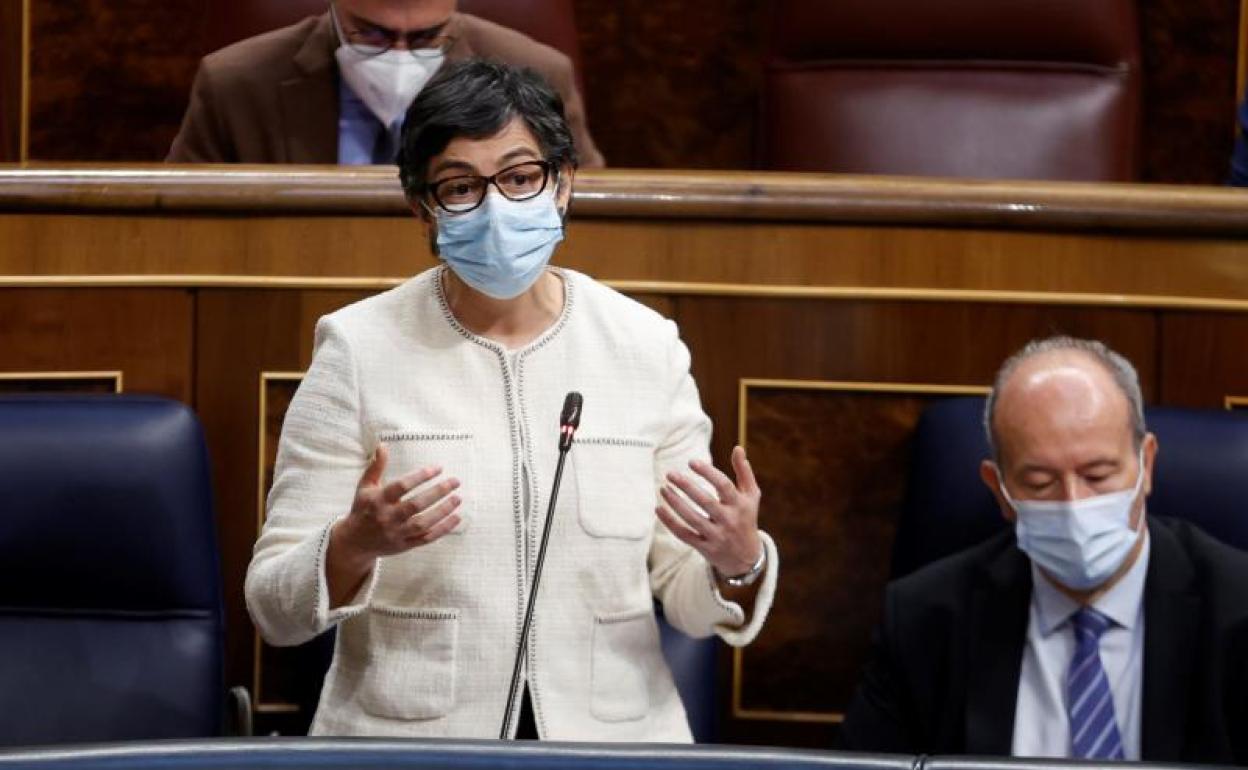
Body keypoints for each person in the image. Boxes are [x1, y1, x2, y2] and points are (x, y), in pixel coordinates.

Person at [244, 59, 777, 741]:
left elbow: (690, 600)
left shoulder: (645, 346)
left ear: (563, 184)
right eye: (462, 187)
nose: (497, 207)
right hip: (410, 745)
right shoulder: (358, 348)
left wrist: (738, 563)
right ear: (422, 208)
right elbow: (275, 610)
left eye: (521, 177)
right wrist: (353, 544)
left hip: (613, 746)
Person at [840, 336, 1248, 764]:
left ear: (1146, 465)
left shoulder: (1238, 610)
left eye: (1098, 475)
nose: (1073, 505)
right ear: (999, 490)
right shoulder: (924, 621)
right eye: (1039, 483)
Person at [167, 1, 604, 167]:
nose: (399, 55)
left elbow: (590, 221)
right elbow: (182, 231)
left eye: (425, 38)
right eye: (371, 35)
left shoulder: (538, 74)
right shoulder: (235, 84)